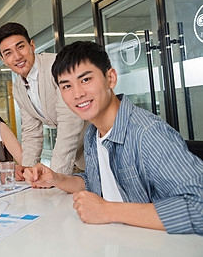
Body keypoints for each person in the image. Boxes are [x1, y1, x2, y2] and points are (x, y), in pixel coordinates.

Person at [24, 41, 203, 235]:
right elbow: (95, 182)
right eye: (66, 86)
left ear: (111, 78)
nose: (77, 94)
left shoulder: (147, 134)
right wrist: (56, 178)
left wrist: (107, 210)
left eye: (85, 80)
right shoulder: (93, 134)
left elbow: (198, 205)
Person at [0, 22, 85, 174]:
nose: (17, 56)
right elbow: (31, 132)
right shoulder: (18, 88)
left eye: (20, 47)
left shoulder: (56, 67)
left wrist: (56, 175)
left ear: (32, 45)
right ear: (3, 60)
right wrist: (28, 171)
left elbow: (70, 122)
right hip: (82, 156)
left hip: (102, 144)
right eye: (8, 53)